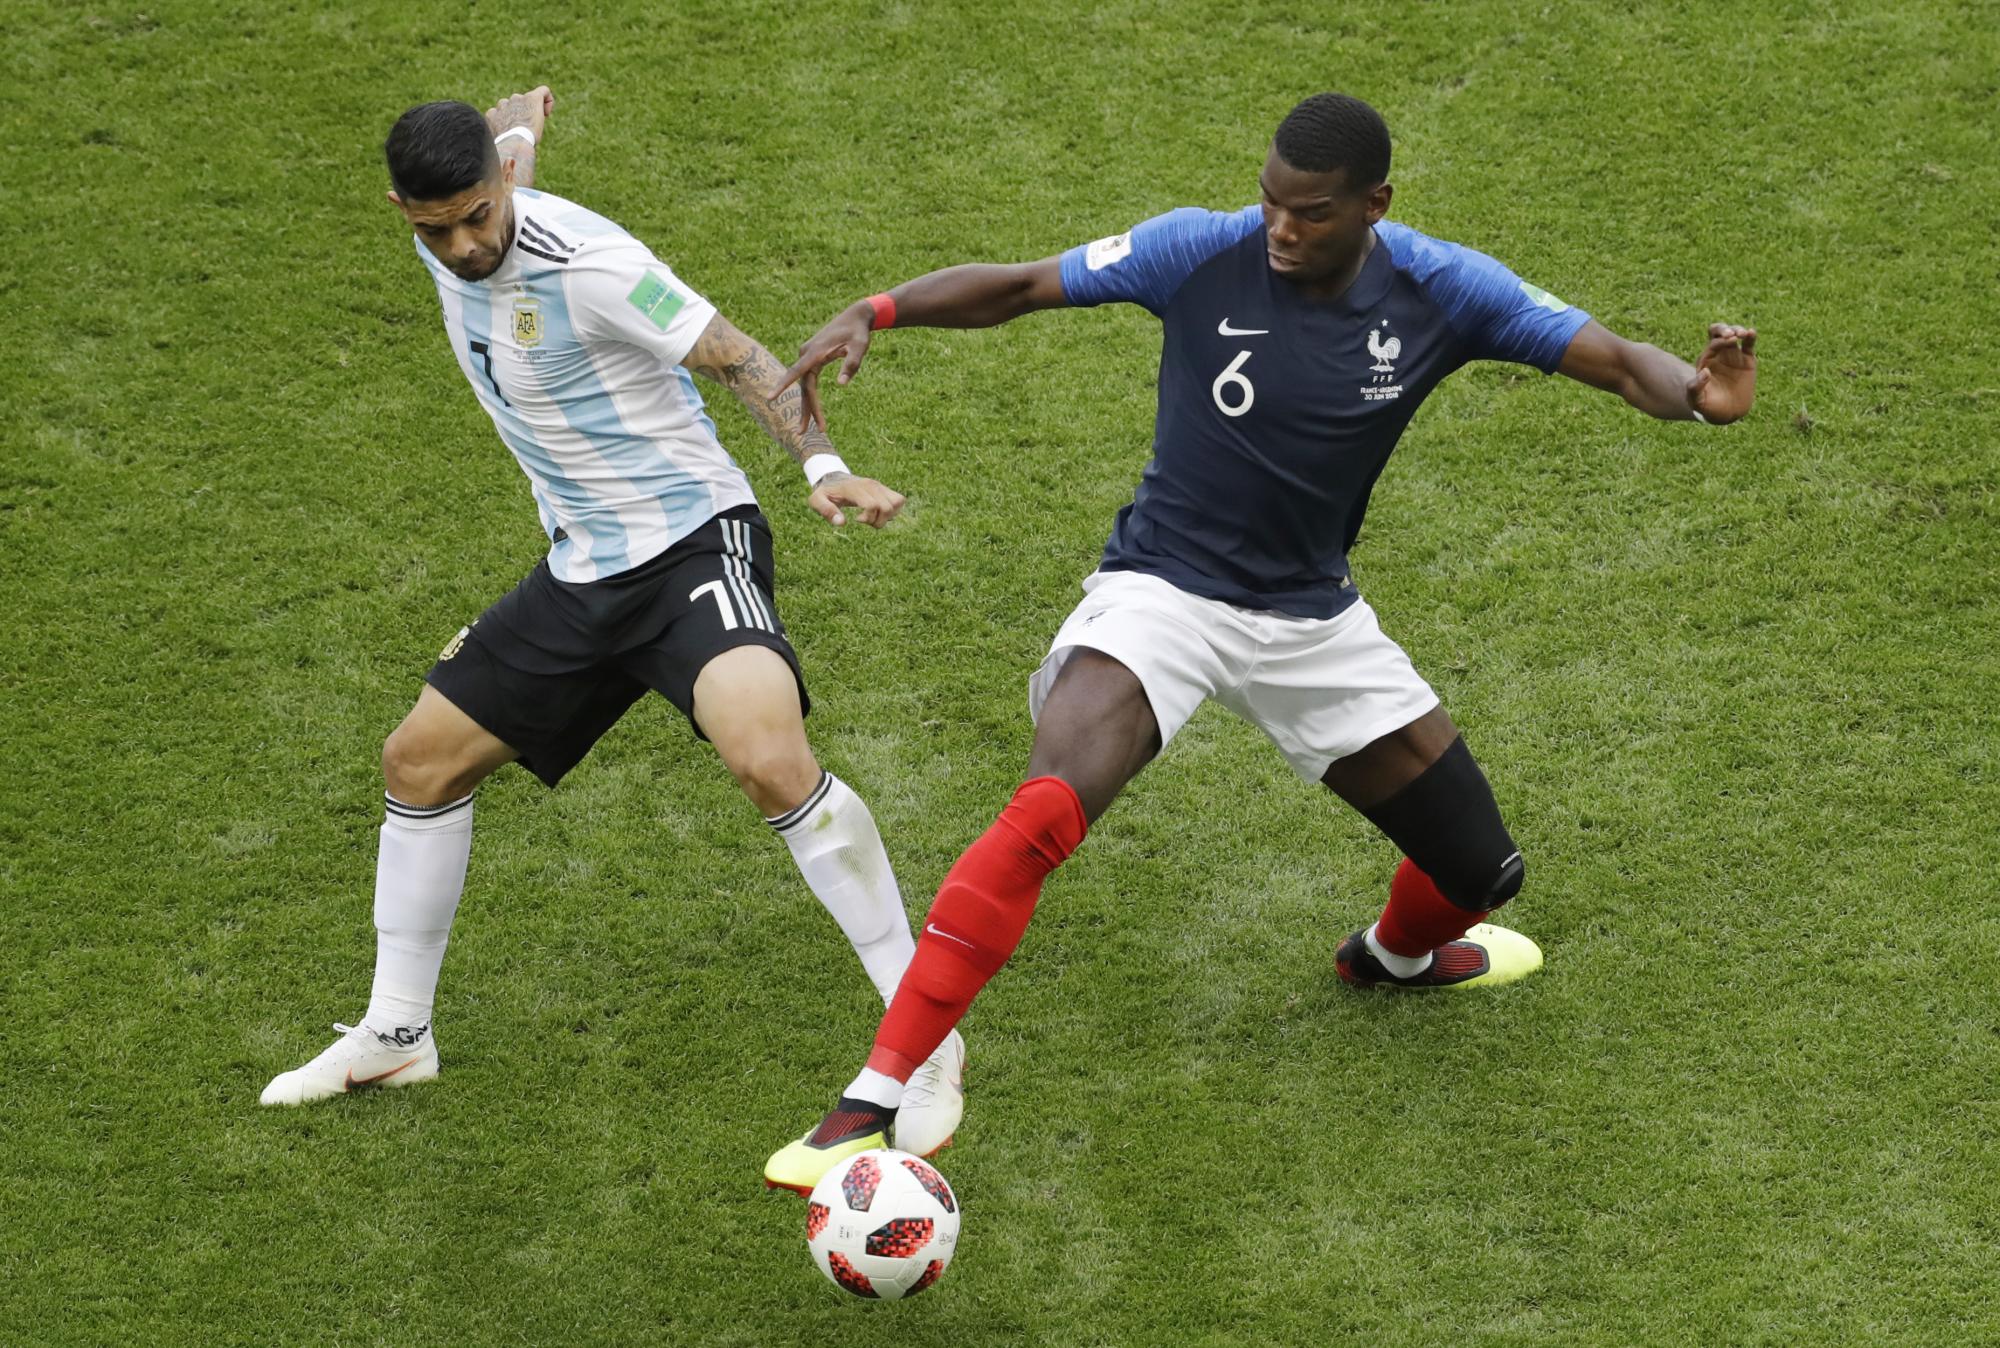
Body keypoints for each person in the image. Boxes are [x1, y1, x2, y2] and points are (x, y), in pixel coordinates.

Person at [760, 91, 1756, 1191]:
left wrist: (1699, 397)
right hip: (1162, 596)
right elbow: (1022, 285)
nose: (1278, 230)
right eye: (1271, 203)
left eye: (1310, 213)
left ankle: (1393, 955)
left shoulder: (1442, 288)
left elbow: (1617, 362)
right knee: (1046, 805)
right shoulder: (1201, 249)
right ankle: (866, 1101)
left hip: (1310, 621)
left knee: (1479, 867)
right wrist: (878, 307)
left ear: (1374, 205)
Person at [261, 88, 965, 1160]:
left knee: (768, 757)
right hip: (582, 572)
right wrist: (516, 145)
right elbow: (495, 206)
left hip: (691, 543)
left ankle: (921, 1035)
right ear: (403, 208)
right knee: (418, 763)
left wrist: (823, 467)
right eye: (433, 227)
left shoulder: (589, 263)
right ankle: (397, 1034)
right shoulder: (459, 226)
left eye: (478, 218)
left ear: (499, 196)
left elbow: (737, 356)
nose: (461, 247)